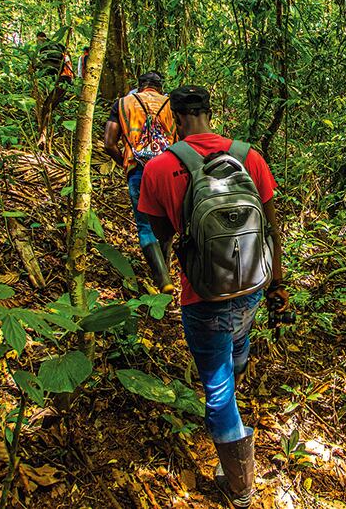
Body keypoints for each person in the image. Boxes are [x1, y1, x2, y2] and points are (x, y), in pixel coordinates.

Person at [137, 85, 287, 508]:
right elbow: (273, 228)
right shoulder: (249, 155)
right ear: (209, 113)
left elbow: (153, 235)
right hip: (253, 286)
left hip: (202, 297)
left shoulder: (160, 168)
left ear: (174, 119)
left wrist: (162, 278)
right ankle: (235, 445)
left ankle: (240, 487)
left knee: (217, 390)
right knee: (237, 348)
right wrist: (279, 284)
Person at [104, 72, 177, 293]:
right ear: (159, 87)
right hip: (168, 169)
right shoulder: (171, 104)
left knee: (145, 225)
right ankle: (166, 268)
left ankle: (162, 278)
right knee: (167, 222)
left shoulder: (123, 103)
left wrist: (125, 164)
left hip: (138, 170)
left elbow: (109, 143)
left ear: (140, 87)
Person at [35, 31, 74, 146]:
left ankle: (43, 137)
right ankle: (44, 135)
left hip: (63, 78)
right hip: (67, 79)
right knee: (49, 106)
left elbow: (51, 68)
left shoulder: (48, 48)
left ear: (40, 38)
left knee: (47, 106)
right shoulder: (59, 48)